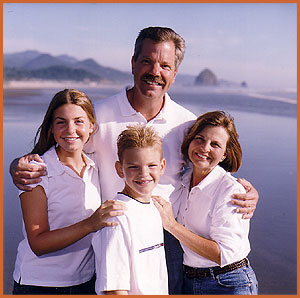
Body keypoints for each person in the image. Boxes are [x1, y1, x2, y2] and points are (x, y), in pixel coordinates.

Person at [10, 27, 259, 294]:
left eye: (165, 65)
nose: (155, 71)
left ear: (174, 74)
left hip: (168, 241)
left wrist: (246, 192)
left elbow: (209, 170)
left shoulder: (186, 124)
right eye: (147, 61)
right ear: (133, 63)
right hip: (114, 232)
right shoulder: (100, 116)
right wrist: (16, 166)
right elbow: (61, 147)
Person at [12, 89, 125, 295]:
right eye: (61, 122)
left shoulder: (95, 166)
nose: (70, 129)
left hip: (86, 282)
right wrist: (91, 224)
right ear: (52, 128)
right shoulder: (37, 171)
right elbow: (38, 243)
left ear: (92, 127)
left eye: (79, 121)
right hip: (40, 285)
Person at [153, 111, 258, 295]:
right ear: (189, 141)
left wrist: (171, 225)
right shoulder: (183, 180)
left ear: (225, 154)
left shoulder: (231, 191)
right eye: (200, 139)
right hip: (191, 282)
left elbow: (222, 254)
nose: (205, 148)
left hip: (227, 284)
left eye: (215, 144)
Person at [92, 125, 168, 295]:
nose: (144, 173)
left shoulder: (155, 209)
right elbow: (114, 289)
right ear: (119, 169)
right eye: (134, 167)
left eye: (151, 165)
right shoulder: (117, 217)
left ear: (162, 166)